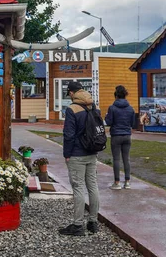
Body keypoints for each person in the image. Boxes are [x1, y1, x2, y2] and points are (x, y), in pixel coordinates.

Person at [59, 81, 100, 236]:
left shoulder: (72, 109)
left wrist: (67, 154)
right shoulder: (92, 105)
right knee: (93, 186)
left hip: (77, 154)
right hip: (92, 152)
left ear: (71, 93)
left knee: (78, 188)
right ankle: (93, 222)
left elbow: (68, 134)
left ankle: (77, 225)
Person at [105, 85, 134, 190]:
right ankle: (127, 182)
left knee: (116, 159)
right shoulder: (130, 108)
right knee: (126, 159)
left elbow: (108, 122)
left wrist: (106, 116)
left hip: (116, 136)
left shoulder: (112, 108)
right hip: (127, 135)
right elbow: (133, 123)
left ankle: (117, 182)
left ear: (116, 95)